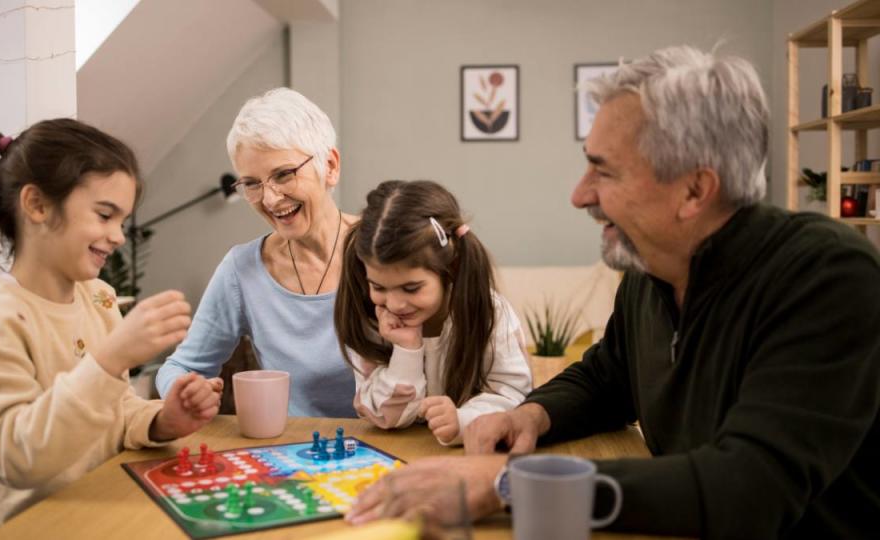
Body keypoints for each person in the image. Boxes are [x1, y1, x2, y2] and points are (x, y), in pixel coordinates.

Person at [346, 46, 880, 539]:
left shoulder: (829, 276)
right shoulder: (651, 271)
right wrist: (530, 416)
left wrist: (507, 481)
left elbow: (750, 486)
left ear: (695, 189)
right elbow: (608, 376)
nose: (580, 195)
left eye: (603, 171)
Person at [0, 118, 222, 538]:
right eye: (105, 215)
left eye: (122, 221)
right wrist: (109, 360)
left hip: (89, 511)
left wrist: (163, 419)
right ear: (36, 205)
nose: (118, 236)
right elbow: (16, 459)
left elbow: (111, 411)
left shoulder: (98, 298)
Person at [156, 88, 358, 417]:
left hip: (396, 450)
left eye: (283, 174)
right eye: (252, 183)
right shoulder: (242, 269)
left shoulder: (388, 249)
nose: (270, 199)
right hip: (293, 458)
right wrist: (185, 391)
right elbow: (180, 366)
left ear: (330, 166)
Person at [334, 180, 531, 445]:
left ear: (449, 268)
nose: (394, 305)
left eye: (411, 288)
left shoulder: (490, 313)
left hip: (469, 457)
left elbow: (514, 396)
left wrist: (463, 421)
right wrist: (407, 350)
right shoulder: (371, 317)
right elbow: (384, 416)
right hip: (395, 453)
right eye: (378, 286)